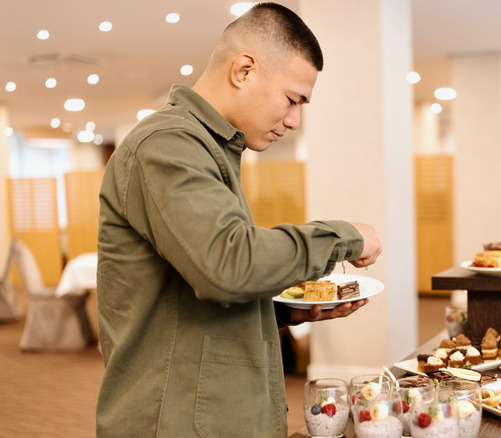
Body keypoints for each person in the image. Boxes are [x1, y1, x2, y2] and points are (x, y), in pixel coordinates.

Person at [95, 3, 382, 437]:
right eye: (292, 99)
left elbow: (185, 300)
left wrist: (283, 311)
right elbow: (228, 265)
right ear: (244, 71)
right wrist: (343, 237)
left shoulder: (211, 148)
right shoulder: (167, 143)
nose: (294, 120)